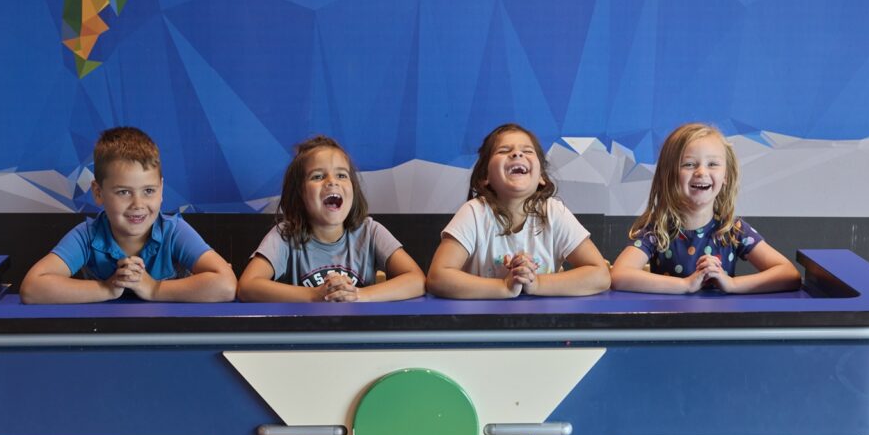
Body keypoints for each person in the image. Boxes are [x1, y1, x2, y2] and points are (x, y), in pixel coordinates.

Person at [20, 127, 236, 303]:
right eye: (124, 192)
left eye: (148, 191)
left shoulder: (174, 231)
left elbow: (225, 286)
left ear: (161, 190)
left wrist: (153, 289)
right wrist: (107, 289)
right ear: (98, 192)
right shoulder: (86, 236)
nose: (138, 204)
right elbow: (32, 289)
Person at [610, 122, 800, 294]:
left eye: (713, 164)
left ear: (726, 176)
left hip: (720, 328)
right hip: (670, 327)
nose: (701, 172)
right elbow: (619, 275)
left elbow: (789, 274)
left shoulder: (732, 229)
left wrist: (732, 284)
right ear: (669, 175)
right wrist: (686, 285)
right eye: (689, 164)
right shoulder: (657, 230)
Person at [426, 123, 610, 299]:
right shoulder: (474, 212)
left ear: (541, 178)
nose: (517, 153)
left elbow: (599, 275)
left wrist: (536, 283)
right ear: (485, 177)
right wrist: (504, 287)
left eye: (527, 151)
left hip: (544, 326)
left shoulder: (554, 211)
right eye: (504, 151)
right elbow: (437, 278)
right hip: (483, 327)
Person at [237, 135, 425, 302]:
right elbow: (247, 286)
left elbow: (416, 280)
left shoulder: (370, 231)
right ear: (300, 194)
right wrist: (314, 295)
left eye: (341, 175)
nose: (332, 181)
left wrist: (359, 295)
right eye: (318, 176)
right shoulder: (285, 235)